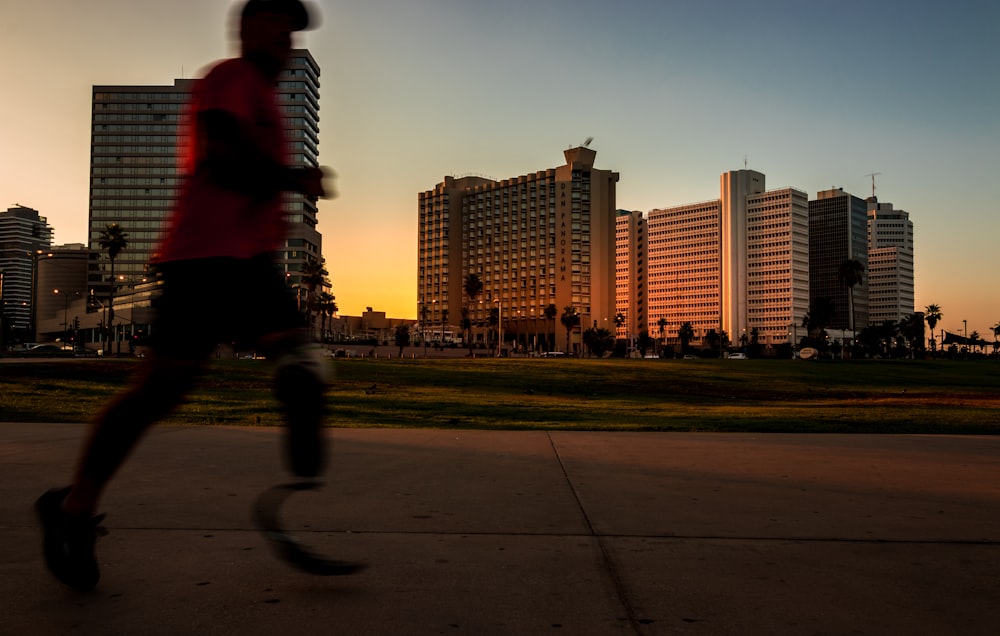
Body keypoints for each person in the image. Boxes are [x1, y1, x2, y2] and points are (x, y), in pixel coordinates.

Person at [36, 0, 329, 591]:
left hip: (250, 264)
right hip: (201, 260)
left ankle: (301, 468)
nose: (285, 34)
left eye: (291, 27)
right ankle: (70, 510)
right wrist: (291, 178)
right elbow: (220, 159)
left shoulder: (270, 101)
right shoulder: (227, 79)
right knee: (157, 393)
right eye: (275, 20)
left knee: (302, 367)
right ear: (247, 27)